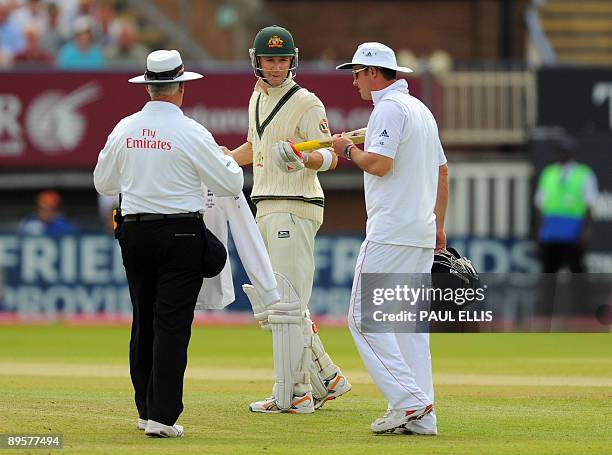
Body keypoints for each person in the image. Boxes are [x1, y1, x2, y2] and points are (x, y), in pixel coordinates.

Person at [93, 49, 243, 438]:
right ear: (179, 88)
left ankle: (146, 410)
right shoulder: (191, 132)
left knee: (143, 319)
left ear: (148, 88)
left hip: (135, 232)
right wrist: (226, 160)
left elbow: (103, 184)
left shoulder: (124, 128)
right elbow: (229, 184)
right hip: (180, 233)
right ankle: (162, 416)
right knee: (172, 324)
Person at [223, 25, 351, 413]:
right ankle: (327, 377)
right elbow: (256, 146)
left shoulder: (307, 103)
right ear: (256, 61)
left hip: (294, 203)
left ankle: (296, 393)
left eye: (281, 60)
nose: (276, 67)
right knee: (276, 306)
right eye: (269, 60)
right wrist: (226, 158)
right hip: (264, 203)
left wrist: (303, 158)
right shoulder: (256, 97)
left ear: (291, 61)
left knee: (286, 307)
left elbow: (329, 155)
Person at [332, 42, 448, 435]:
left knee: (362, 320)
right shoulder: (421, 111)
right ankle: (423, 417)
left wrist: (347, 149)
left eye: (357, 73)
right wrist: (439, 226)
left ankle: (410, 402)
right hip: (419, 231)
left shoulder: (389, 108)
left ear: (373, 72)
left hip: (391, 232)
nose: (353, 81)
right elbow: (443, 173)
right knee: (407, 327)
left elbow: (379, 164)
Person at [534, 138, 598, 273]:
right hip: (550, 232)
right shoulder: (549, 173)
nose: (563, 155)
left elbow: (589, 206)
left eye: (566, 152)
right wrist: (539, 234)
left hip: (573, 232)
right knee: (548, 274)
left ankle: (581, 295)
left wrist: (585, 233)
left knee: (577, 272)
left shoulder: (584, 174)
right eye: (561, 151)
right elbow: (540, 206)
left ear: (572, 153)